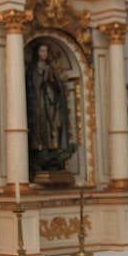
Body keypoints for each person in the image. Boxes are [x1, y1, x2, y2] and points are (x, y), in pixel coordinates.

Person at [27, 41, 73, 169]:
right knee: (40, 123)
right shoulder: (33, 68)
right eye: (41, 51)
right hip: (39, 101)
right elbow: (33, 84)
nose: (44, 54)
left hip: (51, 100)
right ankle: (41, 149)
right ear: (37, 53)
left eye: (46, 51)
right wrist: (42, 79)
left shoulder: (51, 68)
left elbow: (58, 85)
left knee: (53, 123)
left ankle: (53, 147)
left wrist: (52, 81)